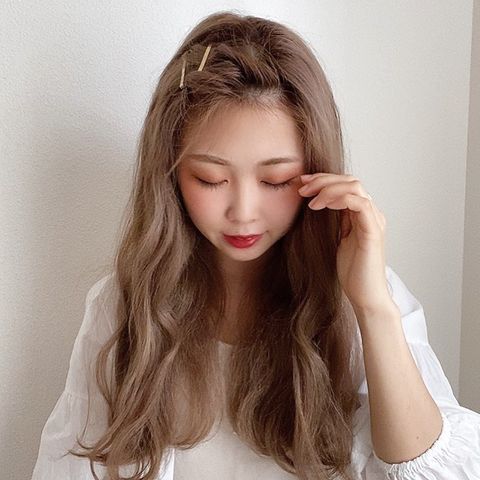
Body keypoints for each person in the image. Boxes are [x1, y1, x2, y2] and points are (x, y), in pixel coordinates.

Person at [31, 10, 480, 480]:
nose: (243, 212)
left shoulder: (361, 296)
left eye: (276, 180)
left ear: (316, 171)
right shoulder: (124, 306)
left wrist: (373, 309)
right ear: (170, 175)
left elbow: (434, 469)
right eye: (211, 179)